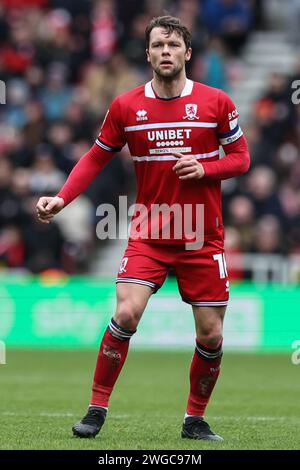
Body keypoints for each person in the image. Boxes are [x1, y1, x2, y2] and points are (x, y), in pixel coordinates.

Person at [36, 15, 250, 441]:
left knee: (211, 333)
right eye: (157, 45)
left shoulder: (216, 103)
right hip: (150, 230)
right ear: (148, 53)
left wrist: (206, 167)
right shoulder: (126, 106)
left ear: (187, 52)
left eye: (173, 45)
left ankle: (194, 419)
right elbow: (96, 157)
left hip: (200, 234)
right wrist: (62, 197)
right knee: (126, 312)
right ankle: (96, 410)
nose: (165, 52)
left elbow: (241, 158)